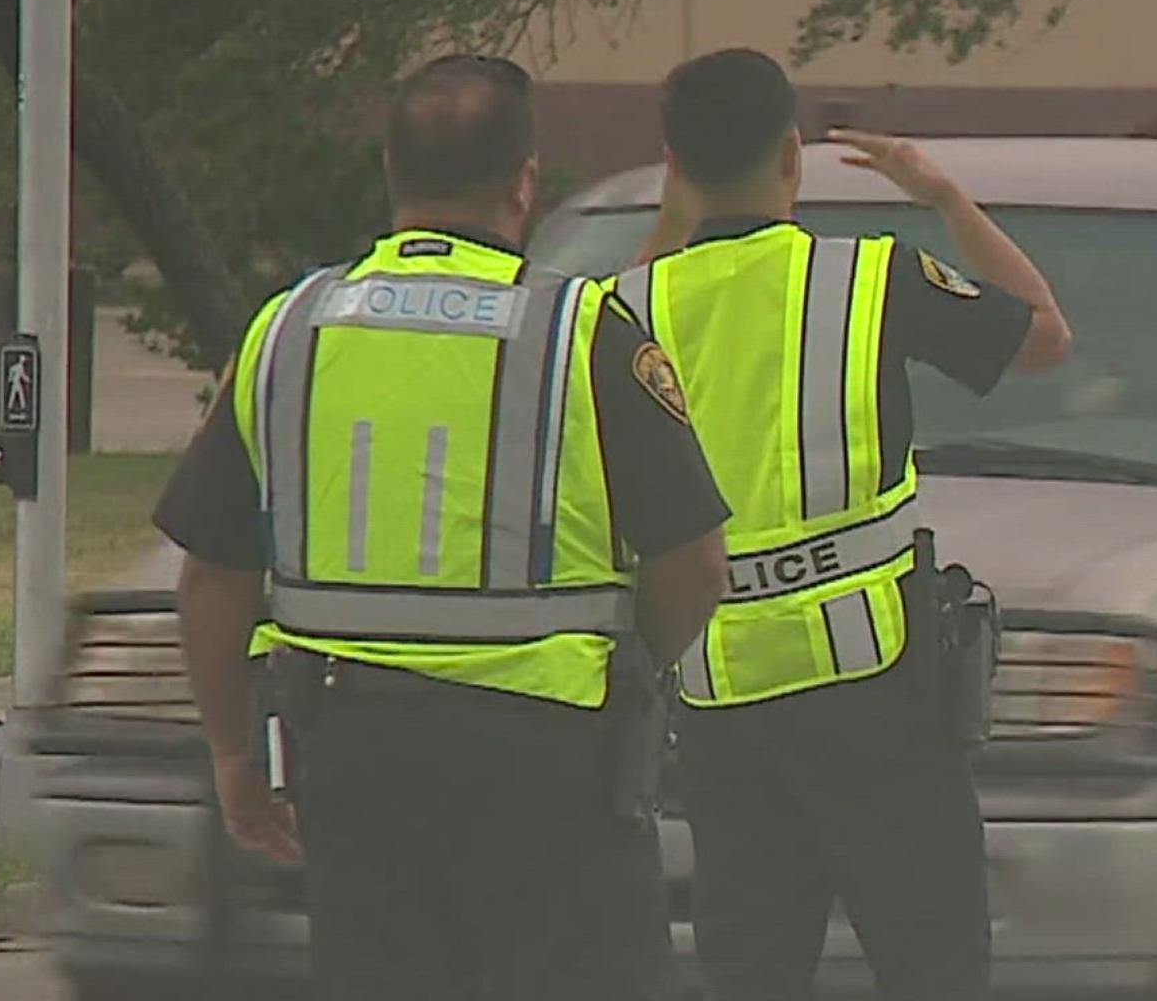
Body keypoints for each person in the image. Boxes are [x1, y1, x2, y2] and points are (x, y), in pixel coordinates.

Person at [154, 53, 730, 1001]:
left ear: (392, 176)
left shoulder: (289, 330)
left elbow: (212, 577)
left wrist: (232, 751)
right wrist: (639, 666)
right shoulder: (584, 334)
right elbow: (694, 562)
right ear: (525, 181)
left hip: (353, 752)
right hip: (553, 763)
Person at [619, 48, 1072, 1001]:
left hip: (718, 699)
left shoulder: (629, 308)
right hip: (875, 691)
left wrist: (673, 211)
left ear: (674, 162)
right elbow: (1042, 335)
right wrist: (944, 197)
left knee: (750, 967)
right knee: (932, 961)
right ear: (794, 154)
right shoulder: (869, 279)